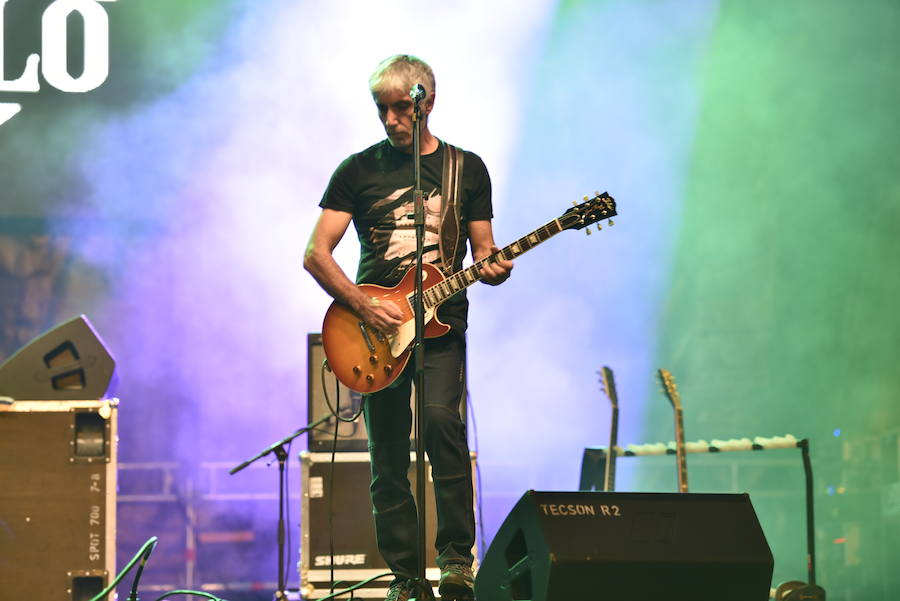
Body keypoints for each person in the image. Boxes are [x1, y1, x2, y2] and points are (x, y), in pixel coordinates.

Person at [303, 54, 512, 601]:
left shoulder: (466, 169)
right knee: (388, 456)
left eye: (400, 109)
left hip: (442, 327)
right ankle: (405, 578)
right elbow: (316, 254)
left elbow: (484, 252)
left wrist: (493, 268)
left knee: (444, 427)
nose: (391, 120)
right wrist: (363, 305)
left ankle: (456, 564)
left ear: (426, 102)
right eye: (382, 110)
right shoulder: (357, 170)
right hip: (376, 332)